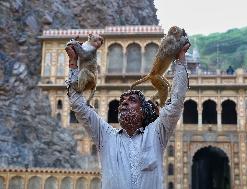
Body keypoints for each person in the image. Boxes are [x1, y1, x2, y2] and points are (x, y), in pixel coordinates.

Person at [65, 40, 190, 189]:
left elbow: (176, 103)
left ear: (143, 110)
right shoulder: (106, 136)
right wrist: (73, 63)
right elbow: (78, 105)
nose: (124, 103)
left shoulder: (156, 134)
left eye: (132, 100)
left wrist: (180, 60)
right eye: (122, 101)